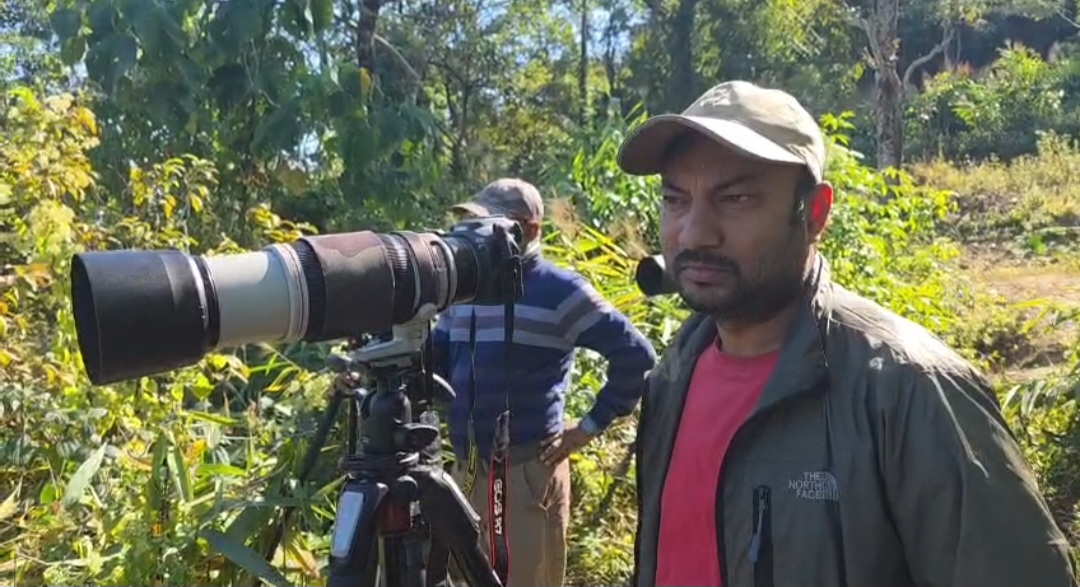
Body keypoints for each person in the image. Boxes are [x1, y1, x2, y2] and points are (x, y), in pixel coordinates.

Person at [617, 80, 1076, 587]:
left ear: (814, 214)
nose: (693, 232)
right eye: (676, 200)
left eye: (736, 198)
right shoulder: (674, 375)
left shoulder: (910, 389)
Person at [430, 177, 657, 587]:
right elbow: (437, 362)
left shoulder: (560, 291)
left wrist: (588, 427)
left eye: (494, 225)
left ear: (530, 229)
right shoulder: (464, 294)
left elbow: (636, 356)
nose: (481, 235)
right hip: (467, 471)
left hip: (525, 474)